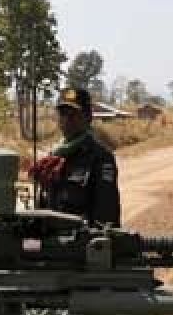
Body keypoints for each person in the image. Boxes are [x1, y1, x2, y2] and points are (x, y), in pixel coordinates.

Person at [30, 88, 121, 226]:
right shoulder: (53, 156)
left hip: (79, 243)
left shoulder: (101, 158)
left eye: (73, 114)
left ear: (88, 117)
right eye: (63, 114)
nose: (66, 119)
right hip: (50, 242)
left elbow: (106, 216)